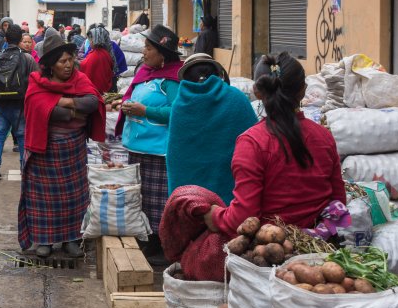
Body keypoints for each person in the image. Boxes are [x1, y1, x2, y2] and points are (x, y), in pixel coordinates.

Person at [203, 52, 346, 235]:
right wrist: (317, 234)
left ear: (257, 92)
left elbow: (242, 218)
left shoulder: (252, 142)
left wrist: (215, 215)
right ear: (303, 90)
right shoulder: (324, 137)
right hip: (317, 244)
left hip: (268, 246)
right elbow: (339, 203)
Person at [20, 28, 106, 258]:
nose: (68, 65)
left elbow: (92, 102)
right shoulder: (37, 82)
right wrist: (68, 107)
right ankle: (45, 241)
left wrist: (57, 107)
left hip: (72, 147)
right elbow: (37, 108)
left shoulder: (80, 78)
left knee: (73, 197)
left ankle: (71, 239)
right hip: (44, 149)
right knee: (44, 199)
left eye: (70, 60)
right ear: (50, 65)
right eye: (62, 62)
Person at [116, 24, 183, 264]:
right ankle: (148, 241)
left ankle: (164, 247)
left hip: (158, 151)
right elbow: (132, 95)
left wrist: (145, 110)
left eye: (147, 48)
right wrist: (125, 105)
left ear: (162, 54)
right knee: (142, 200)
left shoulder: (174, 78)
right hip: (137, 147)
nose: (144, 52)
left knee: (159, 203)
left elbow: (177, 112)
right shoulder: (145, 72)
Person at [166, 53, 257, 205]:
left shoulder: (180, 105)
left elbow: (175, 157)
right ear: (218, 74)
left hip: (189, 201)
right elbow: (255, 141)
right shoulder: (236, 98)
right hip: (232, 201)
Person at [0, 25, 38, 181]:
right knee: (22, 137)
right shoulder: (28, 59)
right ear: (20, 40)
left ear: (5, 39)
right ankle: (24, 170)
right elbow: (37, 80)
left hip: (1, 103)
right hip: (21, 104)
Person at [80, 24, 116, 94]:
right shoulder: (104, 52)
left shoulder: (96, 54)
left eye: (90, 40)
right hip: (104, 88)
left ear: (95, 39)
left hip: (96, 90)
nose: (90, 42)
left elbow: (87, 69)